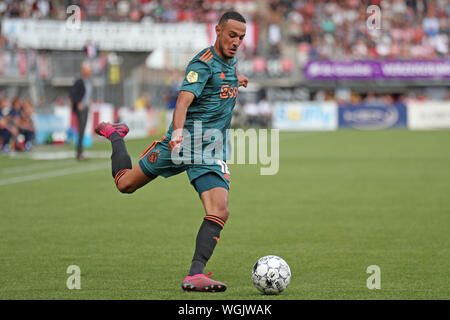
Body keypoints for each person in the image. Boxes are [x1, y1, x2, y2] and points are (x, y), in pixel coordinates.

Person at [95, 11, 248, 292]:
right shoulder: (201, 65)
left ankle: (195, 274)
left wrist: (237, 80)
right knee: (125, 184)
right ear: (217, 30)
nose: (236, 41)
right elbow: (183, 101)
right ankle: (116, 136)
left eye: (241, 37)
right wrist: (177, 133)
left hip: (209, 150)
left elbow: (222, 80)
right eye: (231, 35)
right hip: (181, 144)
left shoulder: (230, 64)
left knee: (220, 210)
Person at [70, 61, 93, 160]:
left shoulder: (87, 82)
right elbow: (72, 94)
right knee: (81, 130)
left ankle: (80, 152)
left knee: (83, 130)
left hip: (86, 107)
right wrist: (78, 102)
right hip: (81, 108)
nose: (90, 72)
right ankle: (79, 153)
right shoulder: (79, 81)